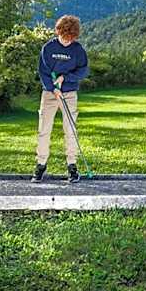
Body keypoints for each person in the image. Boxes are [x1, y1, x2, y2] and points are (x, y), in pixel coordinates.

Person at [33, 15, 89, 183]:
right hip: (49, 95)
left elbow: (83, 71)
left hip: (69, 94)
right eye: (64, 38)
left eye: (70, 39)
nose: (66, 42)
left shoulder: (78, 50)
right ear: (58, 31)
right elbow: (43, 72)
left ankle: (72, 166)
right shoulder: (48, 48)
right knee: (44, 130)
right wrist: (52, 88)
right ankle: (40, 165)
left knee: (70, 130)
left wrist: (65, 78)